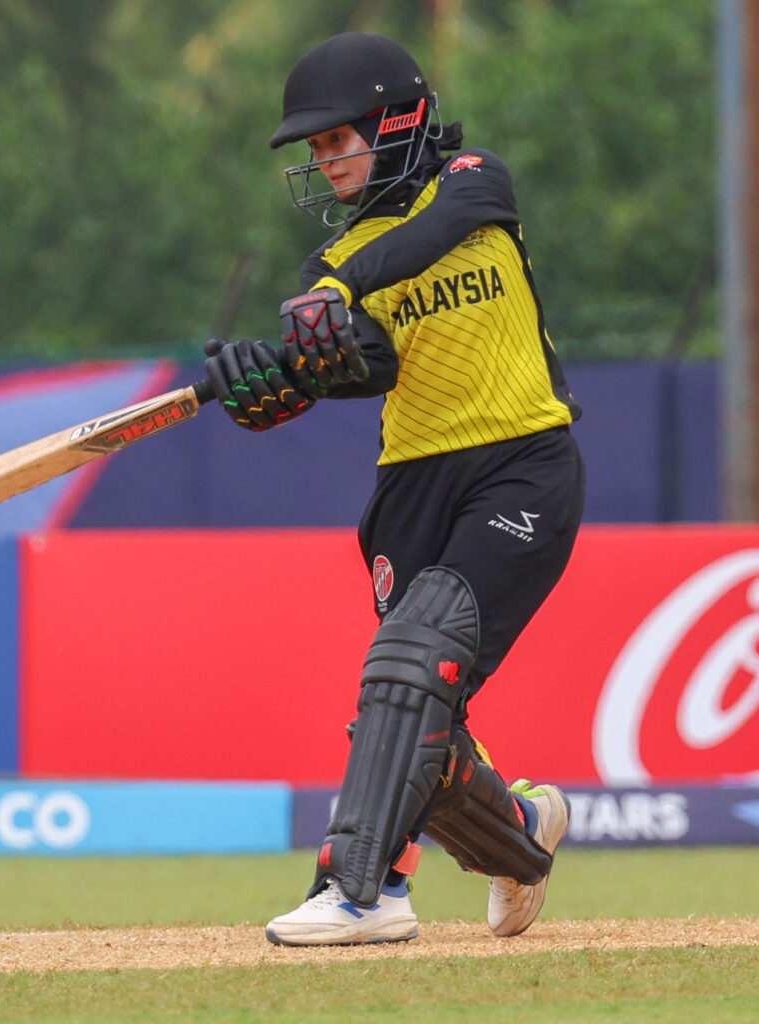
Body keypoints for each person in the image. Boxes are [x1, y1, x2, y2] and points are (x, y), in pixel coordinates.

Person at [202, 31, 585, 946]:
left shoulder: (473, 183)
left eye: (338, 139)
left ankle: (361, 891)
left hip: (522, 462)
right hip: (411, 489)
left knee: (415, 657)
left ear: (399, 120)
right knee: (417, 714)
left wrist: (339, 283)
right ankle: (523, 834)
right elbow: (364, 367)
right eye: (317, 147)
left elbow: (431, 235)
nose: (326, 161)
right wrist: (280, 380)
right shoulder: (328, 270)